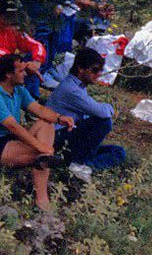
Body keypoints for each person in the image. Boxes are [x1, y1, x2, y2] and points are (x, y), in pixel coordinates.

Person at [0, 53, 71, 211]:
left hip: (13, 139)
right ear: (8, 74)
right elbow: (12, 126)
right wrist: (39, 146)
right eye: (21, 71)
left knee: (47, 124)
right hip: (2, 144)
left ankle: (44, 157)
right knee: (41, 154)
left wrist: (59, 118)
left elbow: (39, 109)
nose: (25, 74)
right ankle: (42, 200)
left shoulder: (18, 90)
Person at [47, 47, 126, 176]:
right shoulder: (71, 89)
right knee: (104, 122)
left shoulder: (78, 85)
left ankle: (84, 165)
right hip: (57, 137)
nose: (98, 74)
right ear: (80, 68)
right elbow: (102, 112)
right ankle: (79, 163)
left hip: (68, 134)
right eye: (94, 70)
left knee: (118, 152)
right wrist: (111, 108)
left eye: (100, 70)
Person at [0, 0, 46, 97]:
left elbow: (36, 45)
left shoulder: (12, 30)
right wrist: (23, 66)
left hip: (10, 68)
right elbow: (5, 58)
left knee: (29, 70)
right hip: (5, 71)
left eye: (13, 15)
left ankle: (32, 97)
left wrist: (36, 62)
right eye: (8, 15)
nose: (12, 18)